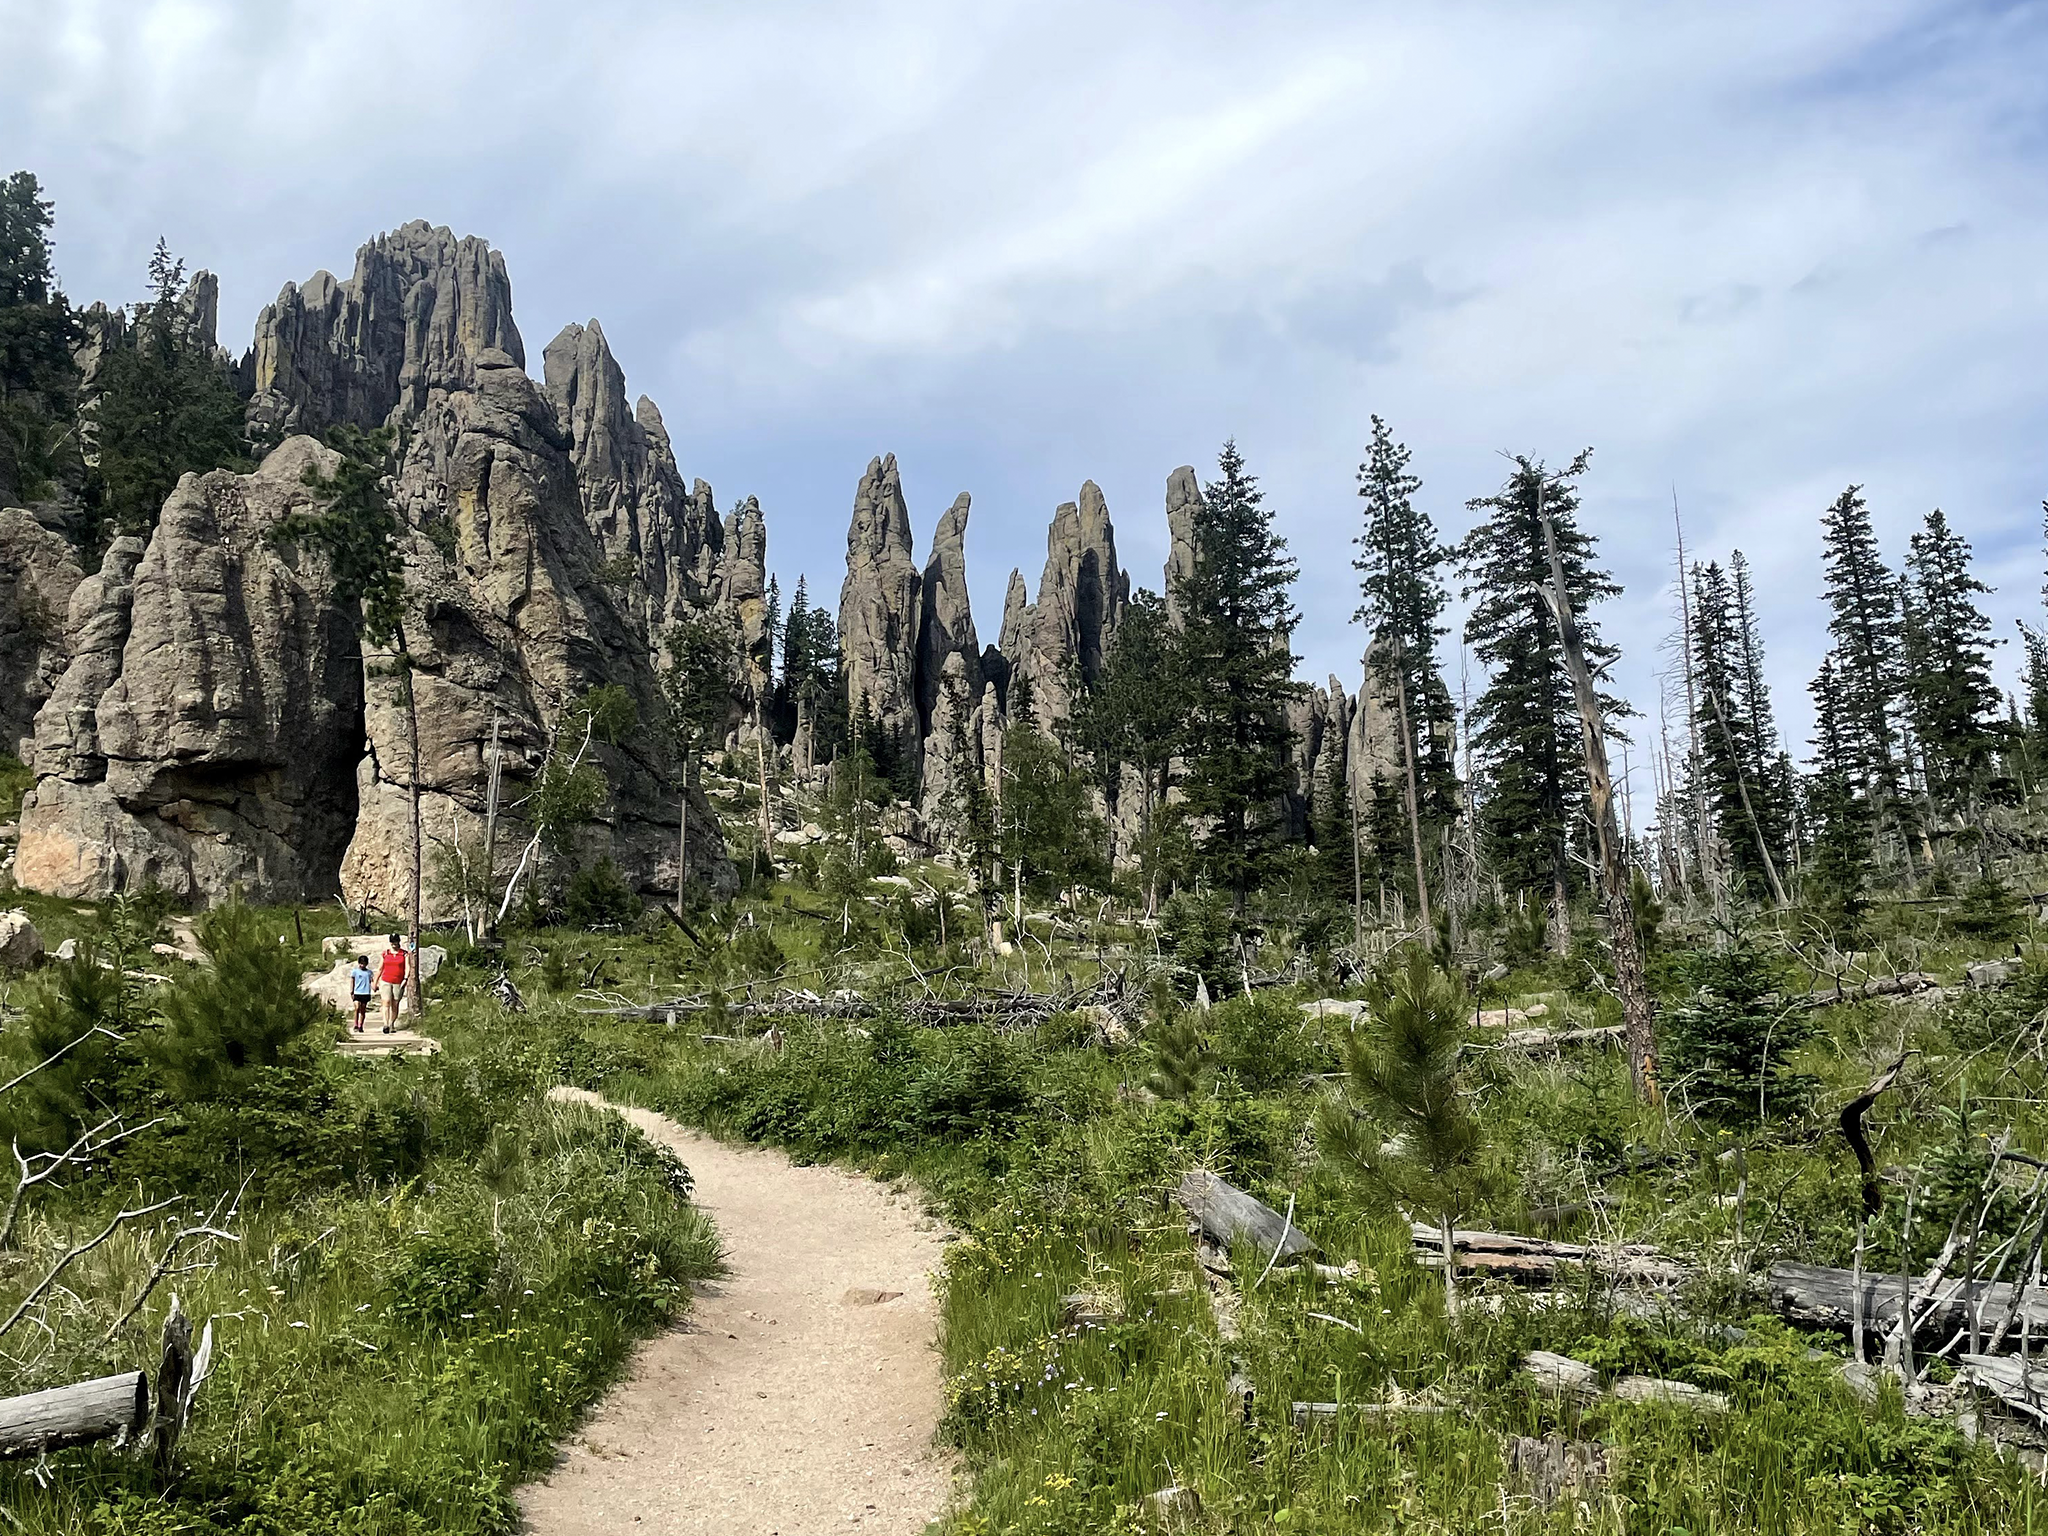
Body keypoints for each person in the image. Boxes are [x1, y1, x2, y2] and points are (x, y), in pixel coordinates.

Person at [378, 934, 409, 1034]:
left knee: (395, 1004)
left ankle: (392, 1023)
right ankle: (385, 1024)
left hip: (398, 981)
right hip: (386, 980)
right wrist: (375, 981)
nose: (394, 945)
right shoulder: (385, 954)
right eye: (392, 942)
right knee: (386, 1002)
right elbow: (380, 968)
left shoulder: (404, 954)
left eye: (395, 942)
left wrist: (405, 978)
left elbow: (407, 967)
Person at [349, 953, 374, 1033]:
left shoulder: (369, 972)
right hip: (357, 992)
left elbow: (372, 982)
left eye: (363, 964)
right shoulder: (355, 972)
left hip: (366, 992)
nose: (362, 965)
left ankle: (361, 1025)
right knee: (357, 1008)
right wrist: (351, 991)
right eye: (361, 963)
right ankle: (355, 1024)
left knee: (363, 1010)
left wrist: (375, 987)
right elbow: (352, 981)